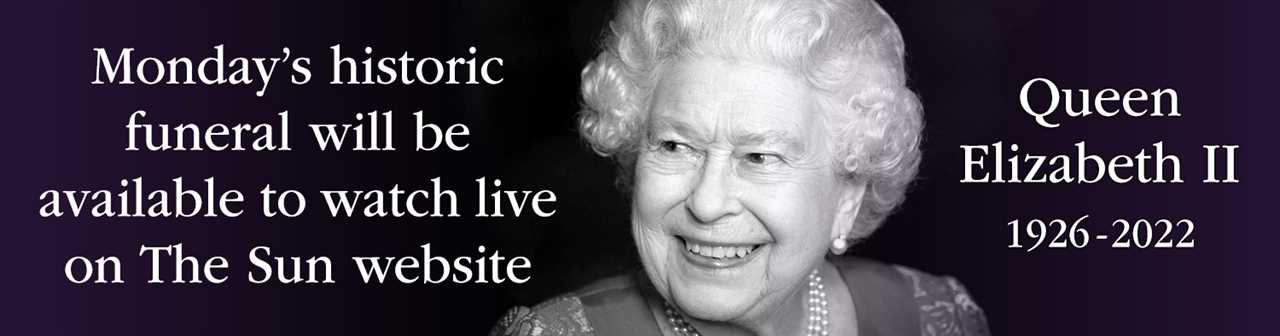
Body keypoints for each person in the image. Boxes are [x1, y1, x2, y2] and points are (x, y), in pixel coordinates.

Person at [493, 0, 989, 334]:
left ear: (847, 197)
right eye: (673, 146)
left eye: (759, 157)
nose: (707, 203)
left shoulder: (935, 317)